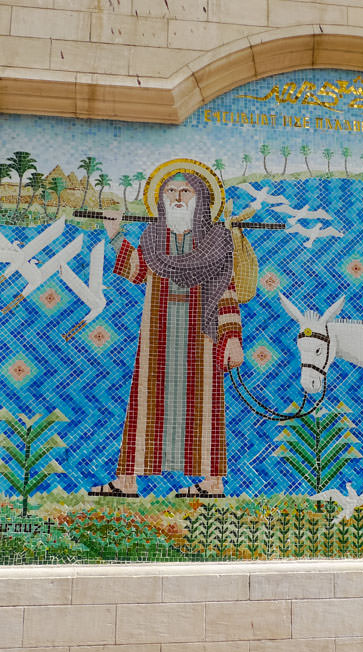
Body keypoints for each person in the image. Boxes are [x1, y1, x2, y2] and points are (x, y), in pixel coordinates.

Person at [89, 162, 243, 499]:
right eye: (170, 191)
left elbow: (226, 290)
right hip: (158, 334)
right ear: (161, 198)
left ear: (199, 198)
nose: (177, 197)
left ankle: (212, 482)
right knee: (146, 401)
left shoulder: (215, 241)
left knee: (204, 405)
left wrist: (232, 338)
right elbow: (136, 272)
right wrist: (115, 236)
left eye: (184, 191)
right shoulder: (153, 237)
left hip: (201, 337)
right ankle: (127, 481)